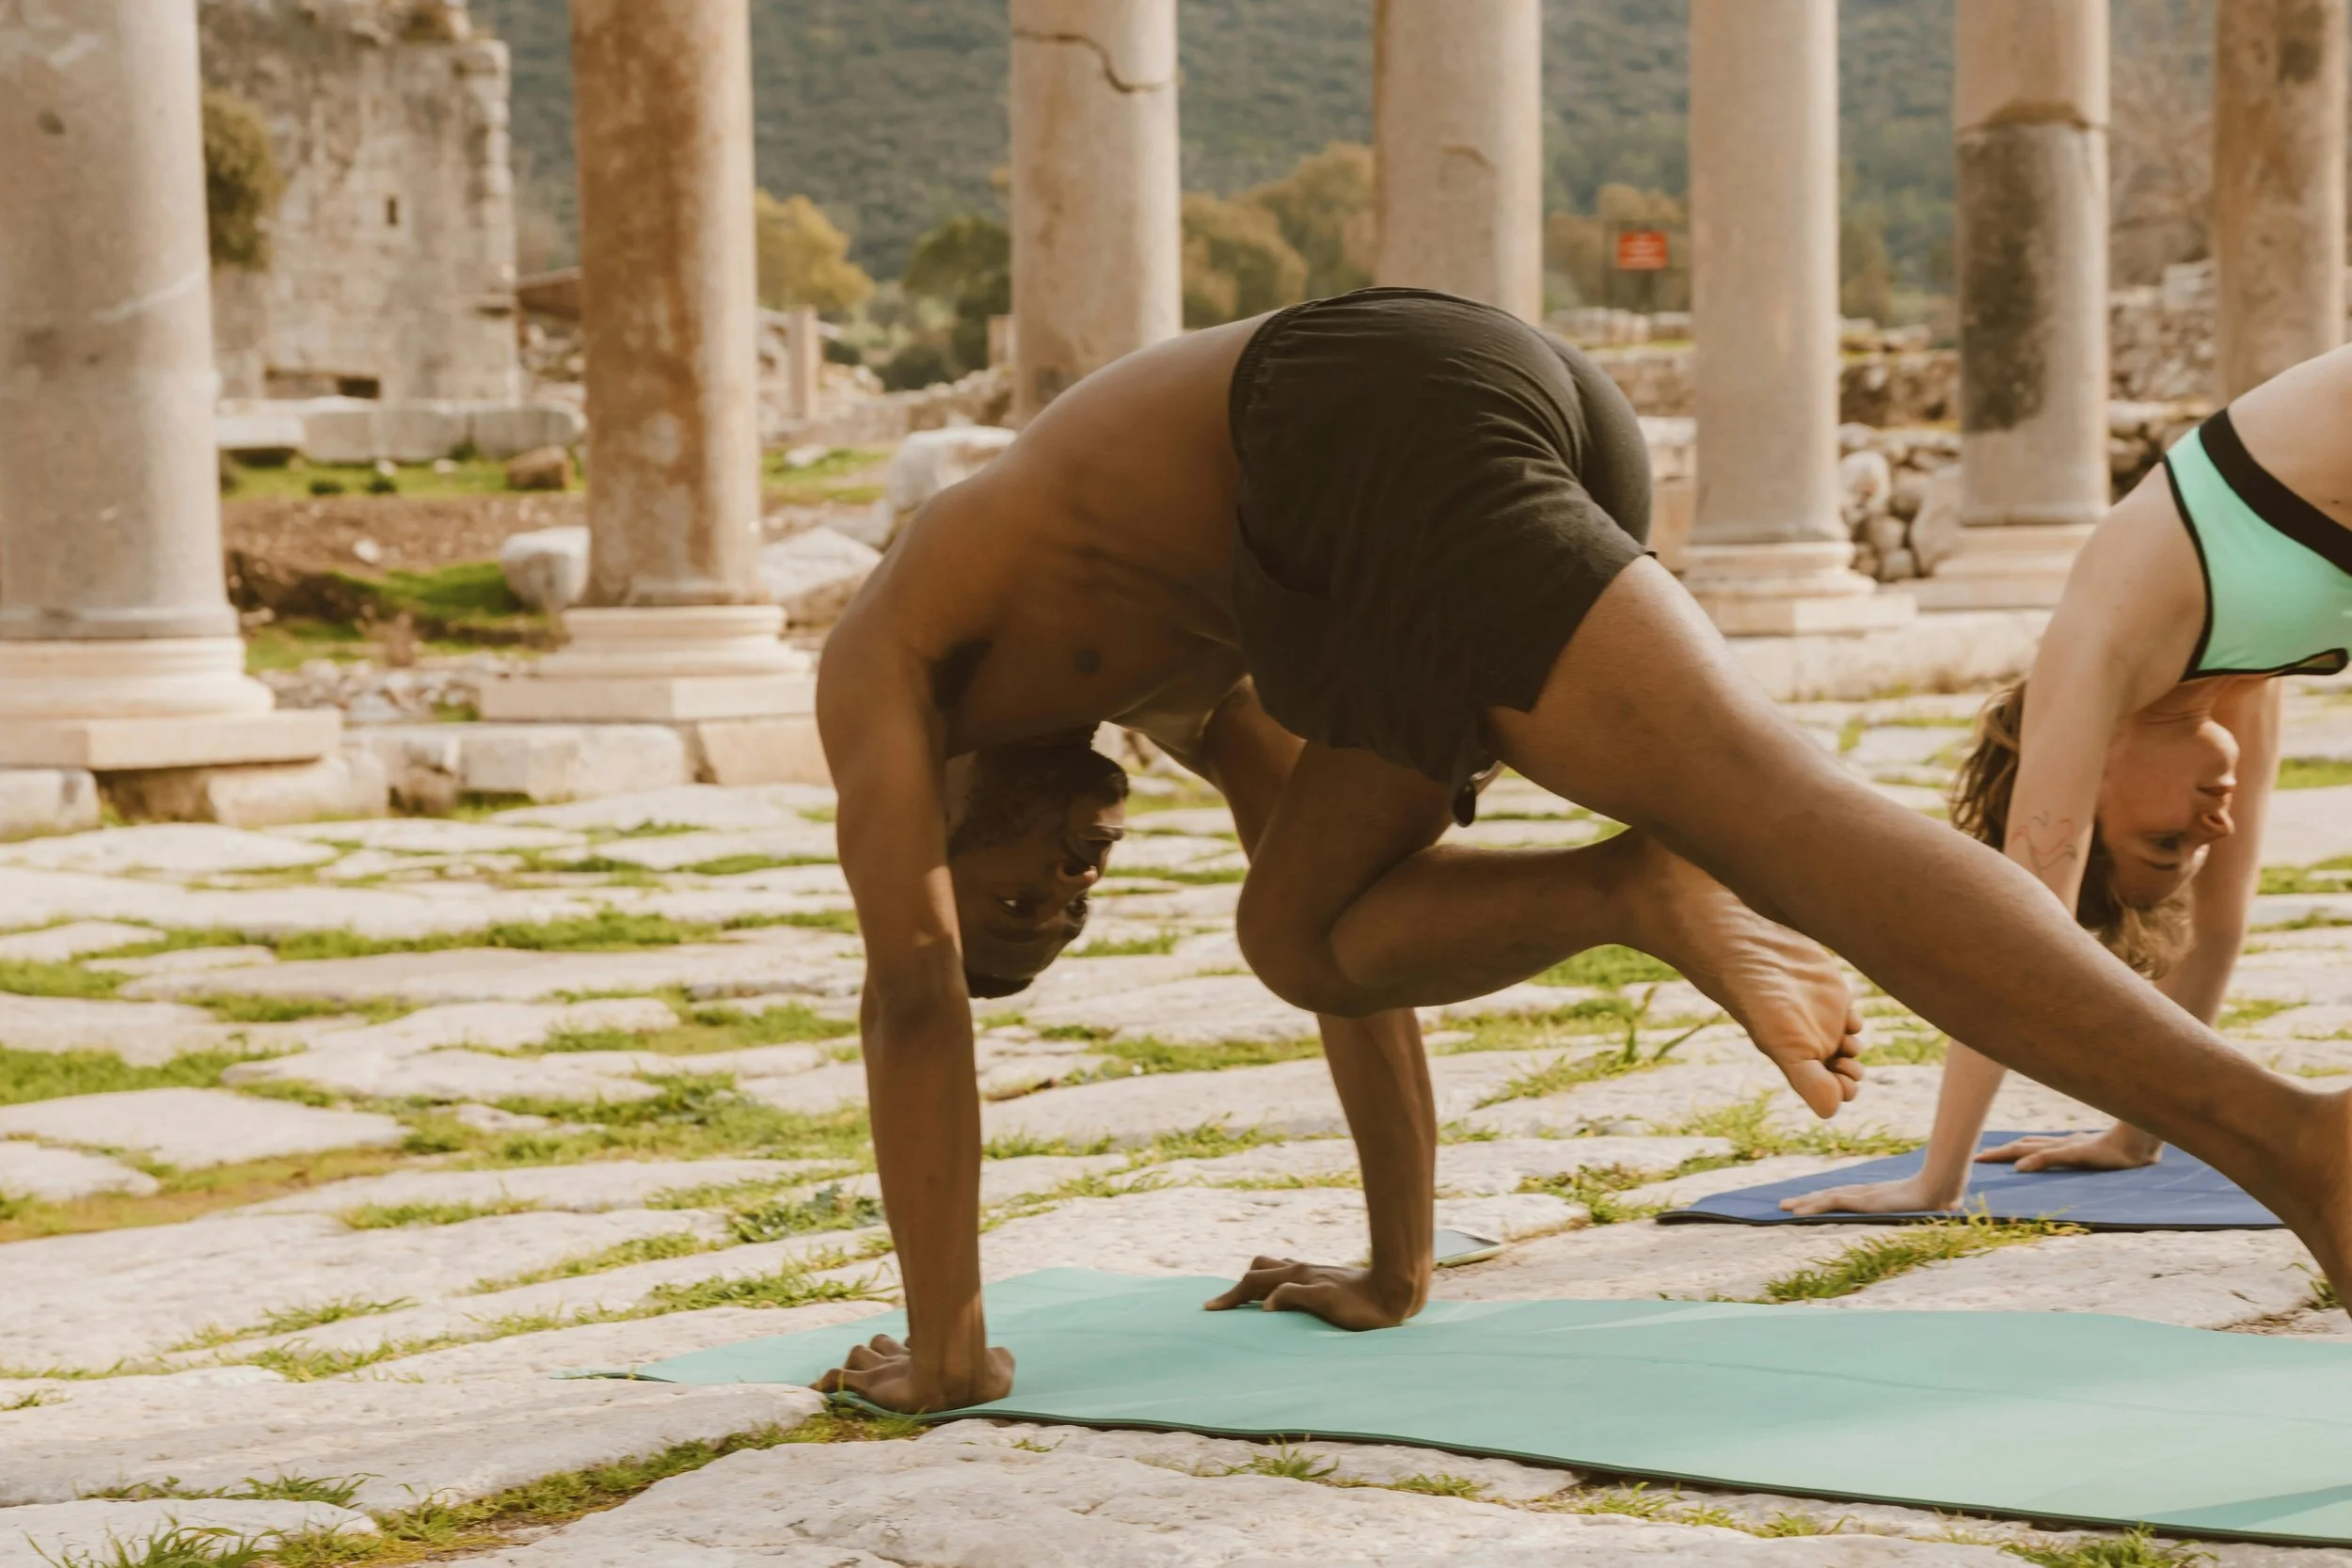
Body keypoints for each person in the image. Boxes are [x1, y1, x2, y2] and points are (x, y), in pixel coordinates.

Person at [815, 289, 2352, 1414]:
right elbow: (1348, 958)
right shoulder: (1157, 655)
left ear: (934, 826)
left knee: (1777, 814)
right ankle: (1632, 881)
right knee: (1297, 929)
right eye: (1065, 910)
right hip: (1432, 427)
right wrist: (1395, 1265)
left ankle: (2295, 1140)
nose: (1068, 885)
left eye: (1017, 890)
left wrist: (948, 1344)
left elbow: (914, 980)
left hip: (1351, 422)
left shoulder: (889, 650)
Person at [1784, 345, 2352, 1216]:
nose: (2216, 831)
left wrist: (1940, 1178)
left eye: (2165, 841)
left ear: (2092, 789)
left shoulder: (2101, 641)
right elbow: (2218, 922)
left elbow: (2015, 939)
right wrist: (2137, 1132)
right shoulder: (2229, 678)